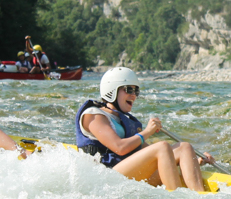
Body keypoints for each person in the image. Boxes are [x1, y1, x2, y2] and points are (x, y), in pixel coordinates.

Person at [75, 67, 213, 192]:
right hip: (106, 179)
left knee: (184, 147)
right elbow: (119, 148)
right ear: (112, 90)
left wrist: (193, 161)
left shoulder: (124, 119)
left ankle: (199, 197)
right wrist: (147, 132)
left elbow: (153, 154)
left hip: (129, 173)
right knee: (162, 146)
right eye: (129, 90)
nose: (134, 95)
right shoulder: (93, 115)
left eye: (136, 91)